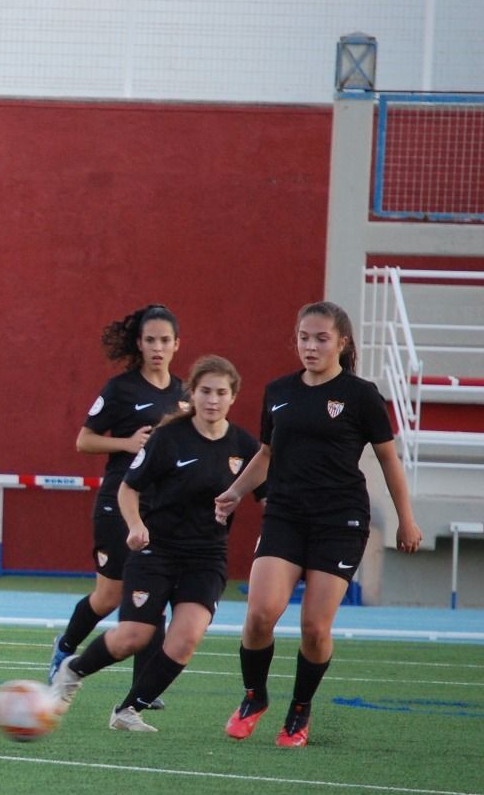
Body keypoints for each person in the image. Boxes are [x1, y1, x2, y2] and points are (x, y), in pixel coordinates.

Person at [215, 301, 422, 748]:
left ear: (341, 343)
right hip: (286, 515)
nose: (310, 346)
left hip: (340, 521)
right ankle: (254, 697)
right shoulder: (278, 391)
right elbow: (267, 455)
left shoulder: (362, 395)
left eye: (321, 338)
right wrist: (235, 492)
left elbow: (388, 458)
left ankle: (299, 711)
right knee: (260, 615)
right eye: (304, 338)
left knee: (314, 627)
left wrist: (406, 518)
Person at [49, 356, 261, 731]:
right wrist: (134, 525)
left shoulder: (244, 446)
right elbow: (129, 488)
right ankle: (73, 670)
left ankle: (127, 710)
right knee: (135, 635)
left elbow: (267, 494)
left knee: (185, 639)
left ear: (233, 397)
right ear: (192, 394)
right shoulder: (168, 438)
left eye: (221, 393)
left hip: (206, 555)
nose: (213, 400)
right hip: (156, 550)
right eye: (205, 392)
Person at [48, 305, 188, 706]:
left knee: (155, 586)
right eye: (150, 341)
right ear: (139, 345)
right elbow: (84, 441)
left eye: (165, 341)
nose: (157, 348)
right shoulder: (121, 389)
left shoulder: (184, 395)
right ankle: (65, 648)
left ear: (177, 345)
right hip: (119, 501)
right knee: (109, 596)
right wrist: (126, 444)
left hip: (161, 507)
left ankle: (144, 684)